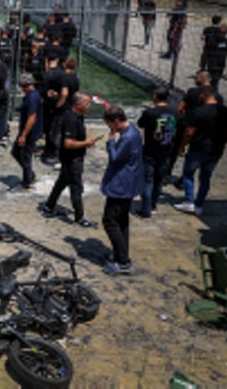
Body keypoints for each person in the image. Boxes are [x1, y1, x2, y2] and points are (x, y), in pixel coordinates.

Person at [174, 86, 227, 215]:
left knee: (188, 174)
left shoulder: (199, 112)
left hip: (197, 148)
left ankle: (189, 201)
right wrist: (224, 141)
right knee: (206, 177)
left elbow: (189, 132)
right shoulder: (226, 111)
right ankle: (199, 204)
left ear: (202, 96)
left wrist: (182, 147)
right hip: (216, 150)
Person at [41, 93, 98, 227]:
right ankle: (79, 217)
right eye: (86, 103)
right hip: (72, 159)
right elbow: (68, 143)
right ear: (77, 105)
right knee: (76, 187)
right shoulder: (71, 119)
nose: (88, 106)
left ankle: (49, 206)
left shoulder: (77, 116)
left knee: (62, 182)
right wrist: (86, 143)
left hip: (70, 158)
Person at [99, 107, 144, 275]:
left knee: (110, 221)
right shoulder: (133, 131)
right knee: (121, 221)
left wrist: (111, 140)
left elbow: (116, 157)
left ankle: (123, 261)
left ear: (116, 121)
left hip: (121, 185)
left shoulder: (127, 137)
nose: (110, 128)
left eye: (110, 124)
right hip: (129, 183)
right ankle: (121, 255)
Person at [11, 73, 44, 190]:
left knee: (25, 157)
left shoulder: (32, 98)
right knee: (16, 152)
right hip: (28, 132)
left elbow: (32, 117)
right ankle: (30, 175)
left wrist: (23, 135)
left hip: (30, 133)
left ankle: (26, 182)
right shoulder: (32, 95)